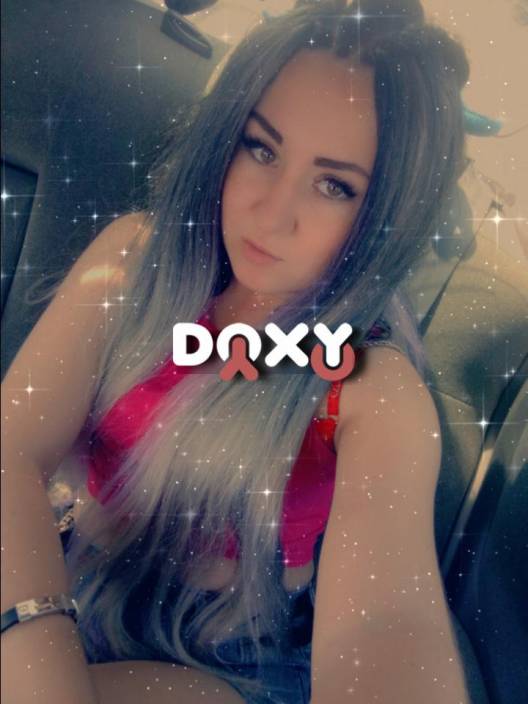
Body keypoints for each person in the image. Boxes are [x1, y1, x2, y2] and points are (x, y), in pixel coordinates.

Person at [1, 0, 474, 702]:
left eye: (334, 185)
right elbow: (11, 447)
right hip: (63, 583)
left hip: (222, 666)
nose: (272, 212)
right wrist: (37, 638)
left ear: (385, 218)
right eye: (262, 148)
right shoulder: (132, 265)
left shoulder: (371, 386)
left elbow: (387, 627)